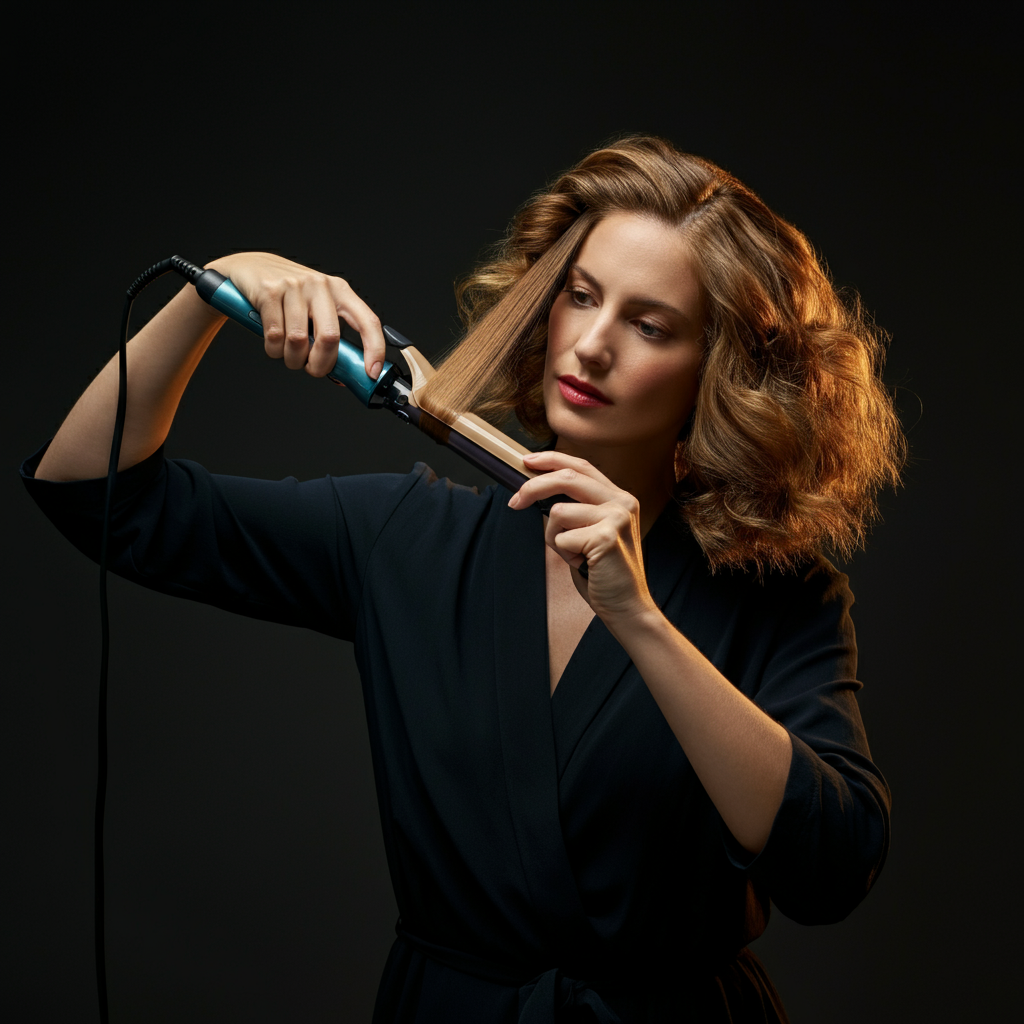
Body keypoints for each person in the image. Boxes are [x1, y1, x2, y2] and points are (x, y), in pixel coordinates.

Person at [22, 135, 905, 1022]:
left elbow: (831, 868)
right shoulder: (401, 538)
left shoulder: (785, 598)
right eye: (581, 296)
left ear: (720, 373)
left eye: (649, 325)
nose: (591, 346)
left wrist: (639, 620)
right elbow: (91, 494)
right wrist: (216, 287)